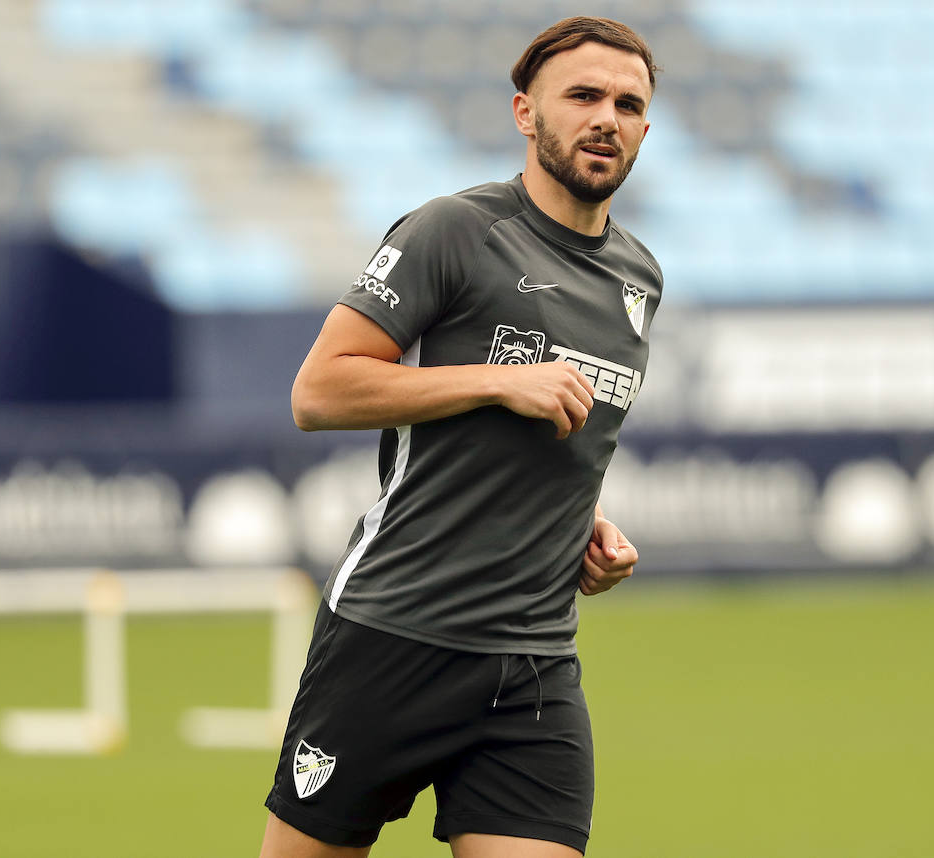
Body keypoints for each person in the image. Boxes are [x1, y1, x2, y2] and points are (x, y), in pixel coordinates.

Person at [261, 16, 661, 858]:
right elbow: (319, 390)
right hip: (393, 636)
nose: (605, 118)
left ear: (645, 129)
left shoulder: (638, 277)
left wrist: (585, 528)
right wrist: (497, 378)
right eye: (582, 96)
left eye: (627, 104)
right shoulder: (454, 231)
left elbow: (560, 442)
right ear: (526, 113)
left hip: (533, 665)